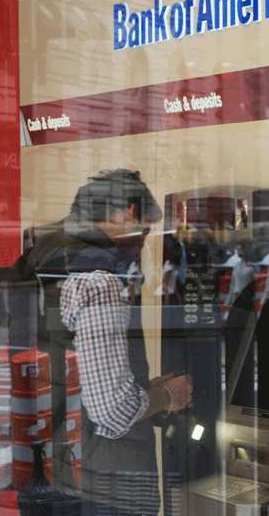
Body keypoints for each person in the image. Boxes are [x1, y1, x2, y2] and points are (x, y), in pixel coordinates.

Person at [28, 169, 192, 516]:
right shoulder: (99, 281)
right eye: (145, 232)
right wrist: (166, 397)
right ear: (130, 213)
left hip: (54, 468)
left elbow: (76, 374)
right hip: (108, 487)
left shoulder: (47, 256)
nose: (143, 245)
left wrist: (139, 388)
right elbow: (112, 412)